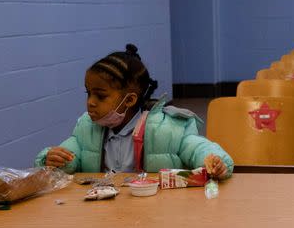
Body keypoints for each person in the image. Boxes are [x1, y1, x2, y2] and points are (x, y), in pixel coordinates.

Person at [35, 44, 234, 178]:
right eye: (88, 94)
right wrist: (52, 159)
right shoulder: (87, 128)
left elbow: (197, 148)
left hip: (152, 216)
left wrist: (215, 162)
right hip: (103, 218)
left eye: (100, 96)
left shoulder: (167, 129)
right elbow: (70, 158)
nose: (90, 103)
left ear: (129, 99)